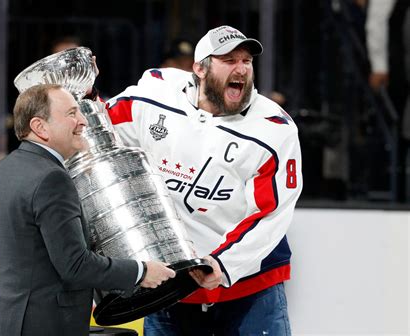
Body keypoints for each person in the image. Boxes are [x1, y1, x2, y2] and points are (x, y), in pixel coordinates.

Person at [102, 25, 303, 335]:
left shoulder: (274, 129)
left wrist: (222, 264)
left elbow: (270, 213)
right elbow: (97, 131)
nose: (241, 69)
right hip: (170, 282)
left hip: (249, 286)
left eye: (246, 61)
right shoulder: (154, 95)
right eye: (229, 60)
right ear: (199, 68)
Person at [0, 84, 176, 336]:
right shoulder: (52, 178)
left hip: (4, 321)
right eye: (72, 113)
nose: (83, 121)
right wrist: (141, 272)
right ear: (40, 127)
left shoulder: (5, 168)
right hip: (46, 325)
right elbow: (75, 265)